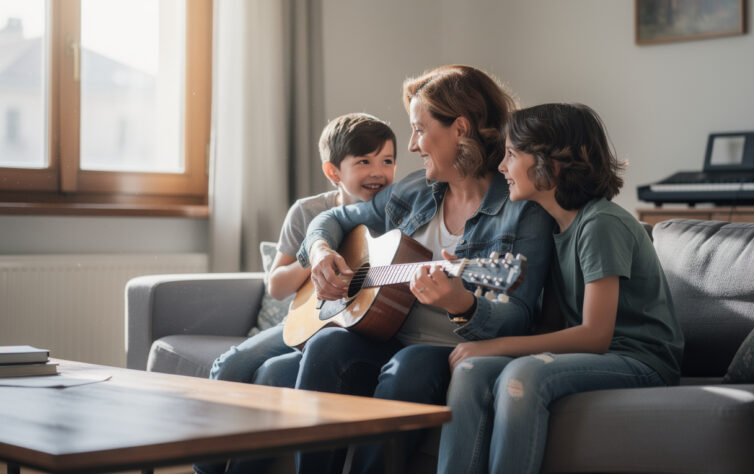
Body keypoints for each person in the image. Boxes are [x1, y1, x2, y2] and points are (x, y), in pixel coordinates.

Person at [292, 65, 554, 474]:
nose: (412, 145)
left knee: (411, 363)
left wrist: (463, 303)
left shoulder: (522, 212)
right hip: (388, 331)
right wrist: (322, 250)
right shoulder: (416, 190)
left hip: (447, 351)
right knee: (326, 347)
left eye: (419, 130)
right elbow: (334, 221)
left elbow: (519, 313)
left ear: (460, 129)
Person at [437, 103, 685, 474]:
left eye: (511, 155)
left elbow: (595, 336)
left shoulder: (600, 223)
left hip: (641, 360)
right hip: (600, 356)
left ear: (550, 165)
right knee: (472, 371)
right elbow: (551, 329)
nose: (502, 167)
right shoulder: (555, 229)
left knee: (523, 377)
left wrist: (496, 344)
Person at [193, 112, 397, 474]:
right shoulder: (309, 211)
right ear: (333, 171)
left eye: (387, 160)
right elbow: (277, 284)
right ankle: (204, 469)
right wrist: (318, 257)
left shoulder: (392, 213)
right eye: (364, 161)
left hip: (351, 328)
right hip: (306, 321)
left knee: (273, 373)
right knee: (234, 363)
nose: (378, 172)